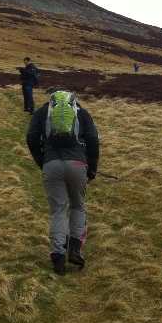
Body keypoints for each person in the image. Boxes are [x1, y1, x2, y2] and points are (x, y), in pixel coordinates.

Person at [26, 87, 100, 276]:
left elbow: (31, 137)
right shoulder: (81, 112)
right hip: (78, 163)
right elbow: (93, 140)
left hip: (51, 164)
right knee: (77, 206)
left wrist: (42, 161)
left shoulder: (43, 112)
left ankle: (59, 258)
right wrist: (92, 170)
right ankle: (75, 249)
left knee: (57, 210)